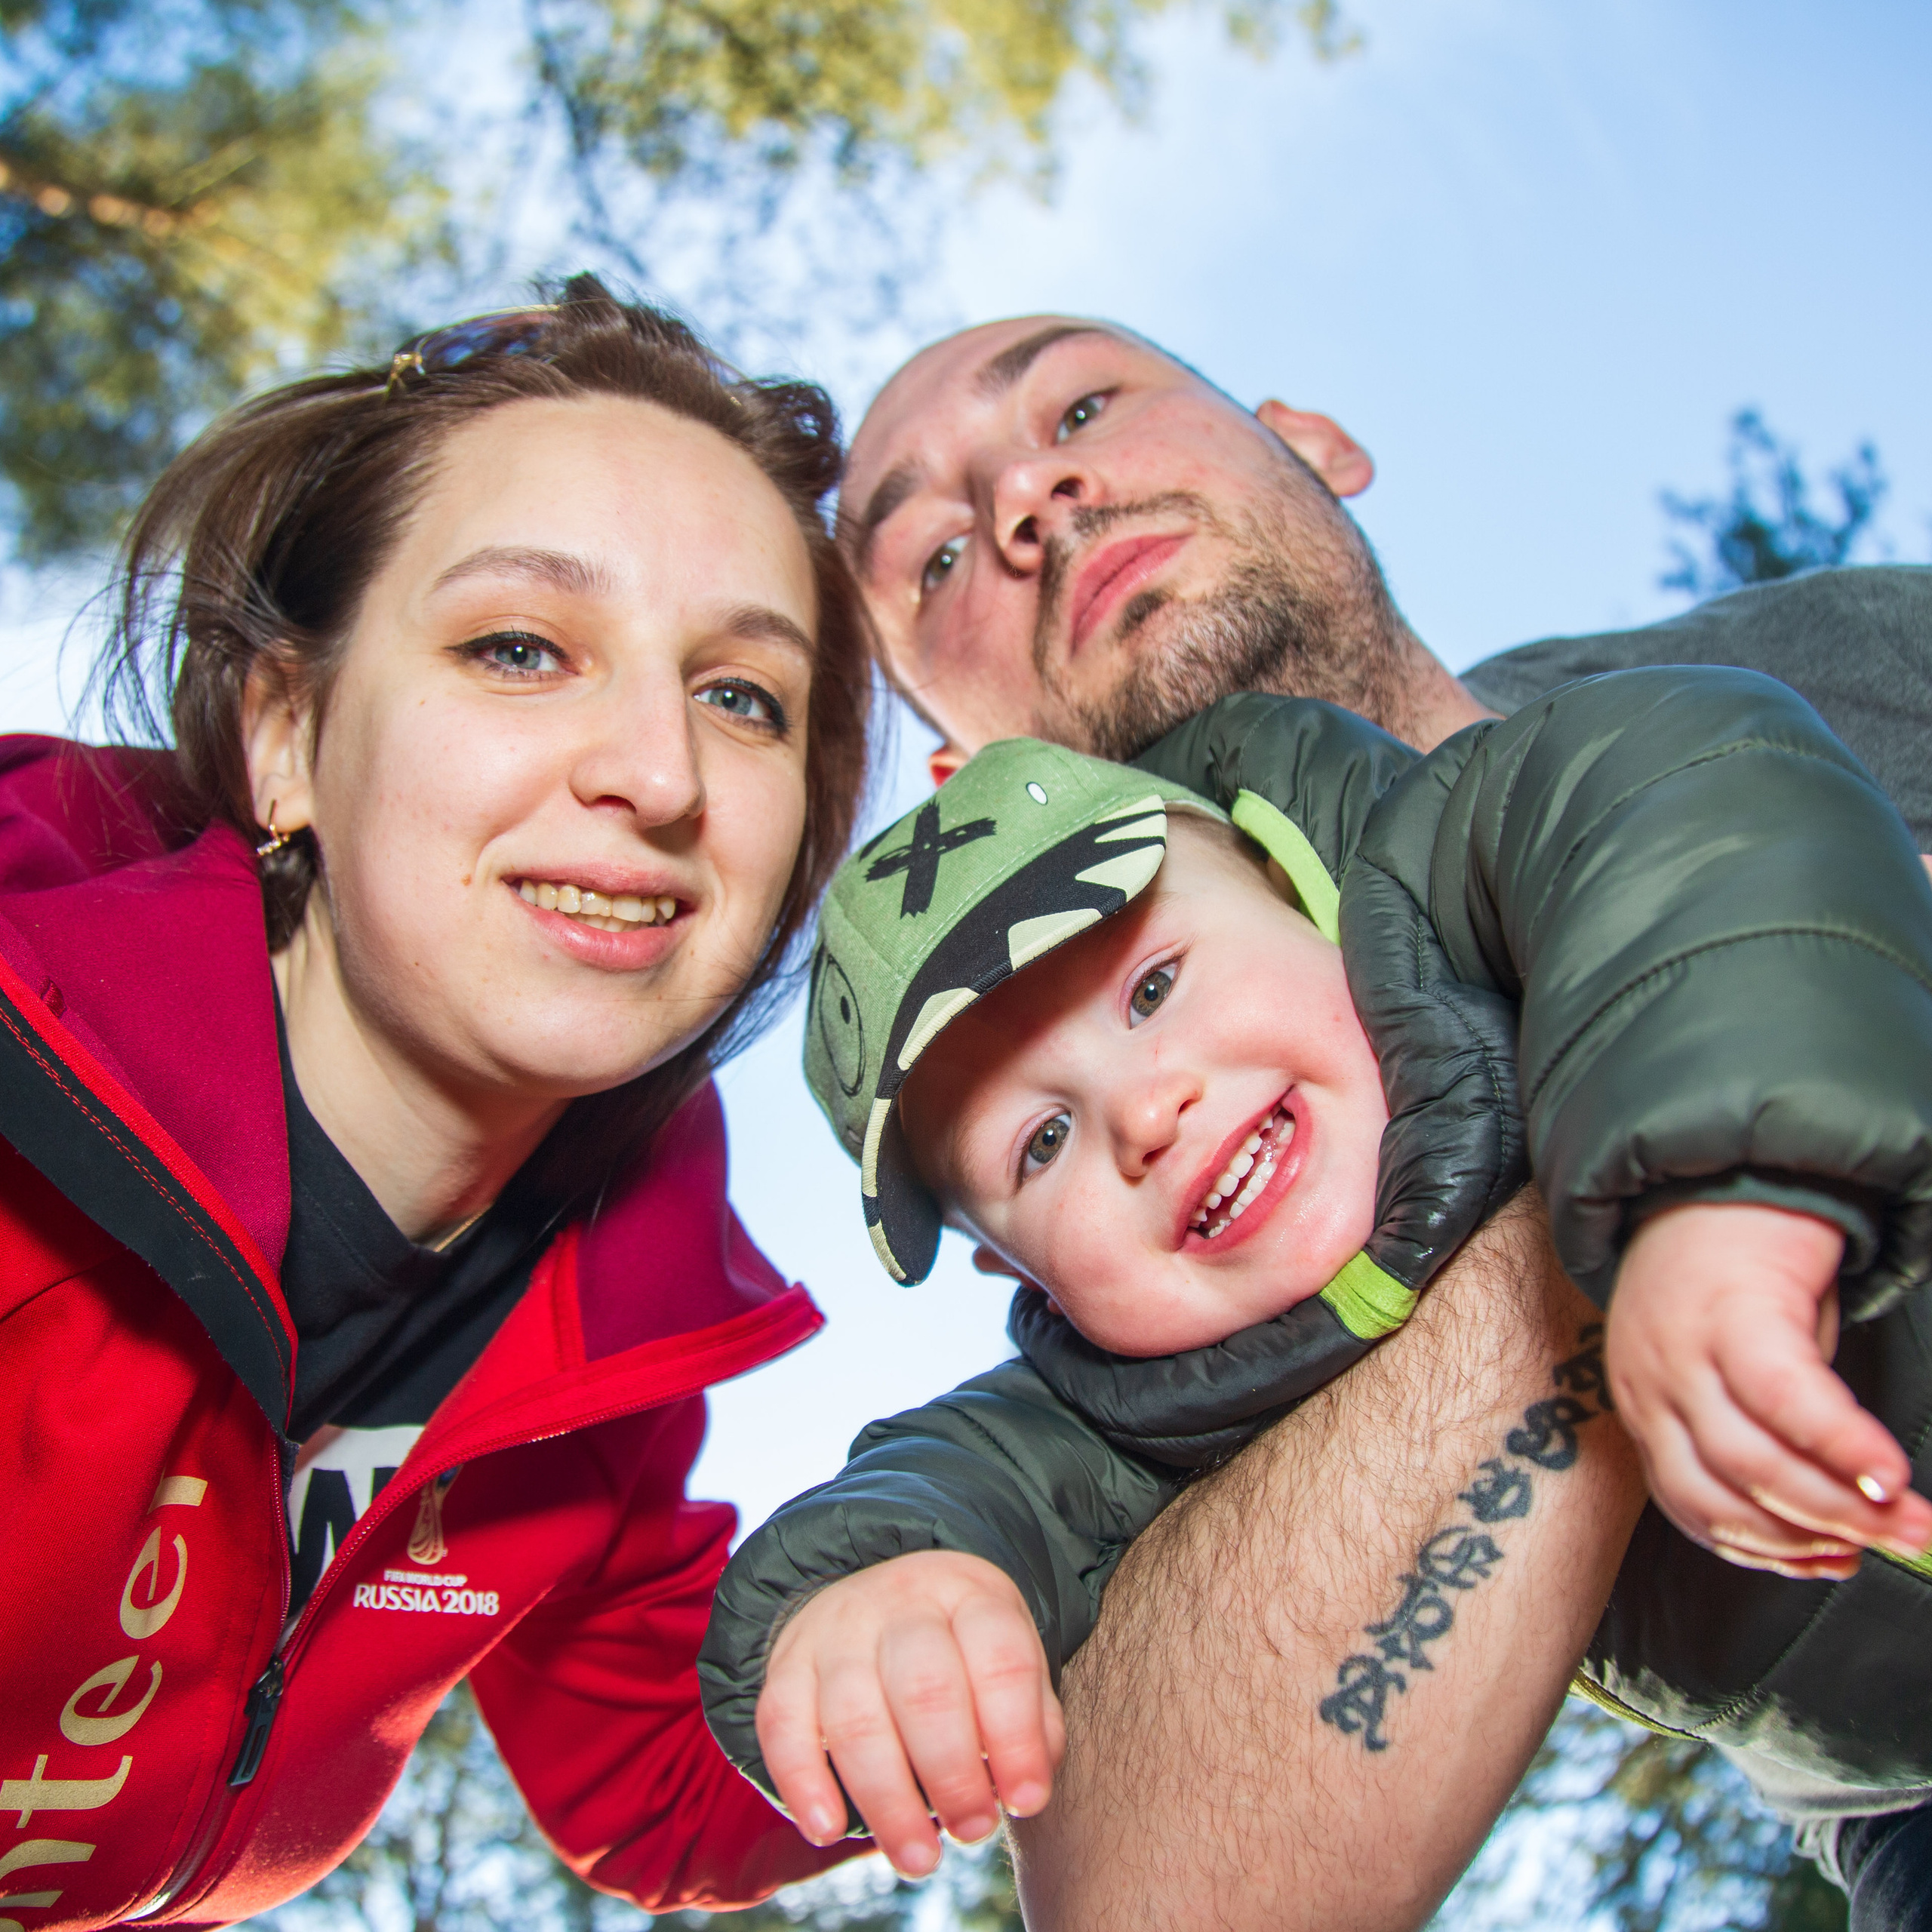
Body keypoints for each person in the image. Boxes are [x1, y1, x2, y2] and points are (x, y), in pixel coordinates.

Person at [734, 315, 1930, 1930]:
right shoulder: (1159, 1344)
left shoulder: (1812, 668)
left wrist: (1722, 1172)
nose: (1027, 499)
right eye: (936, 557)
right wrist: (880, 1590)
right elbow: (994, 1511)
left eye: (1080, 406)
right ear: (974, 777)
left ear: (1309, 437)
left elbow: (1681, 800)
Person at [0, 279, 878, 1927]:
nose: (661, 773)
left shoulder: (610, 1330)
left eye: (741, 695)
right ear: (286, 735)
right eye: (519, 648)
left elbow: (674, 1780)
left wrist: (1029, 1544)